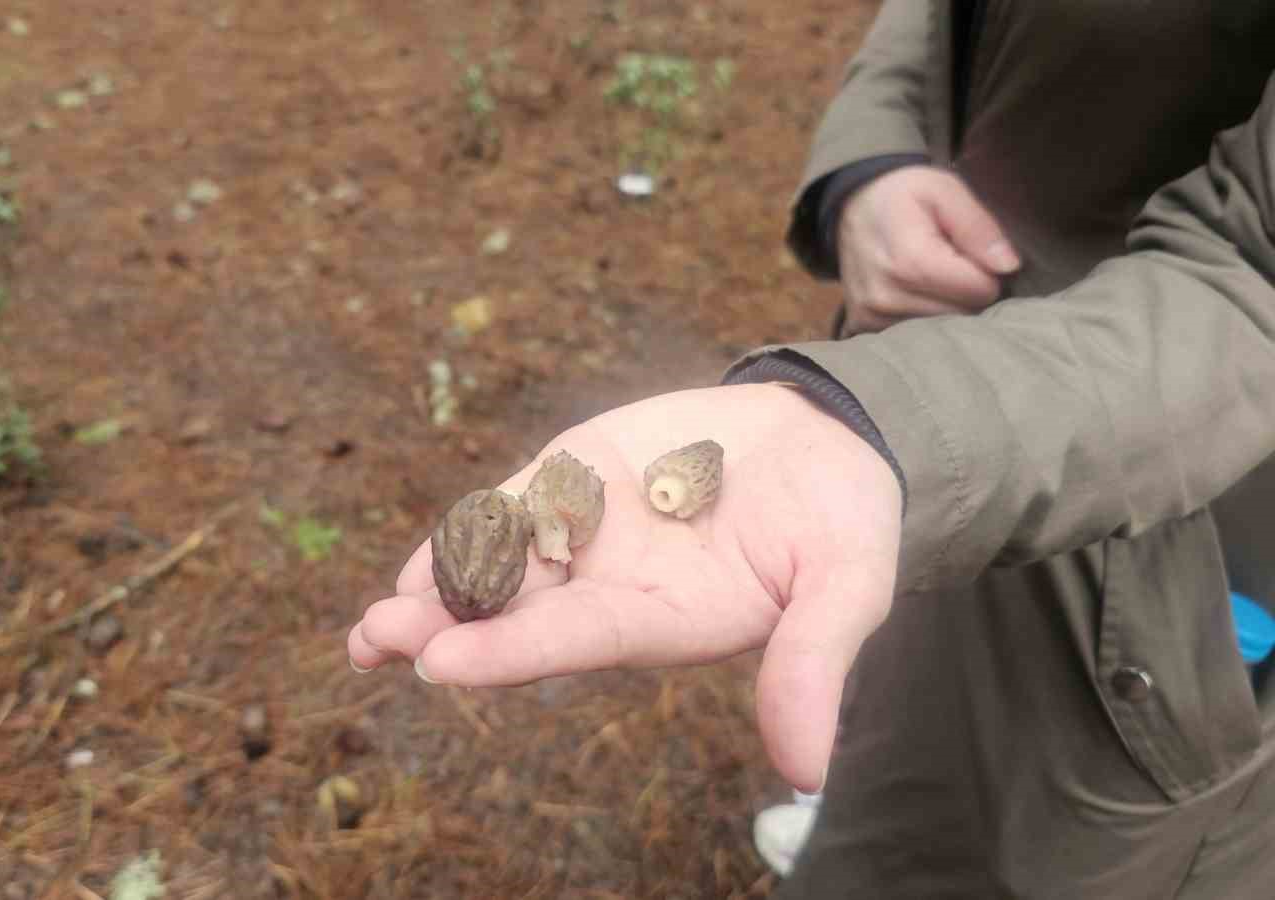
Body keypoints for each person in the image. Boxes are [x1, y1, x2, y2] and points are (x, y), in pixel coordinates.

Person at [347, 2, 1275, 896]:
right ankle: (865, 802)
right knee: (869, 667)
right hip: (943, 438)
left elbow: (1255, 273)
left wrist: (895, 424)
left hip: (1174, 527)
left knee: (1027, 831)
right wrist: (874, 153)